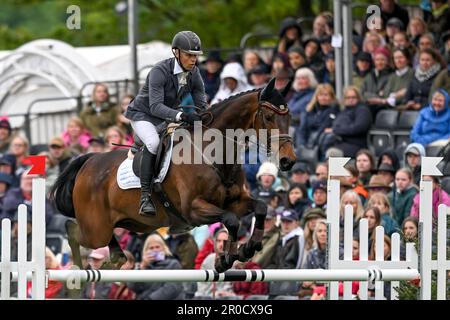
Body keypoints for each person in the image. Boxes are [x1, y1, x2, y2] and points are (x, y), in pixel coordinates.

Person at [125, 31, 208, 216]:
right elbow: (155, 106)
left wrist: (205, 118)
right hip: (143, 115)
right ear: (176, 52)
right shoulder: (159, 71)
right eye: (189, 55)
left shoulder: (194, 73)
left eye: (195, 56)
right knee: (154, 143)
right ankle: (145, 197)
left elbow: (202, 104)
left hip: (166, 117)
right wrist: (182, 116)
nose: (193, 60)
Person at [129, 233, 185, 299]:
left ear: (164, 248)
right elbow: (133, 287)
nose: (155, 250)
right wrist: (142, 267)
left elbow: (172, 288)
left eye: (157, 247)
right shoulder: (144, 266)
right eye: (151, 248)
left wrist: (150, 299)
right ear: (146, 250)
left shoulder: (173, 264)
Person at [329, 86, 372, 157]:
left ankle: (334, 168)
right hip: (340, 142)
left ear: (358, 98)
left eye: (353, 97)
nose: (351, 100)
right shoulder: (343, 111)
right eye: (348, 98)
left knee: (333, 152)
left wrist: (336, 130)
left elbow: (359, 128)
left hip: (356, 145)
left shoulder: (362, 110)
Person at [195, 228, 236, 298]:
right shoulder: (208, 260)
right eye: (218, 241)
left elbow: (231, 286)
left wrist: (221, 294)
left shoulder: (234, 262)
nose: (221, 244)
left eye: (225, 241)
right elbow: (201, 285)